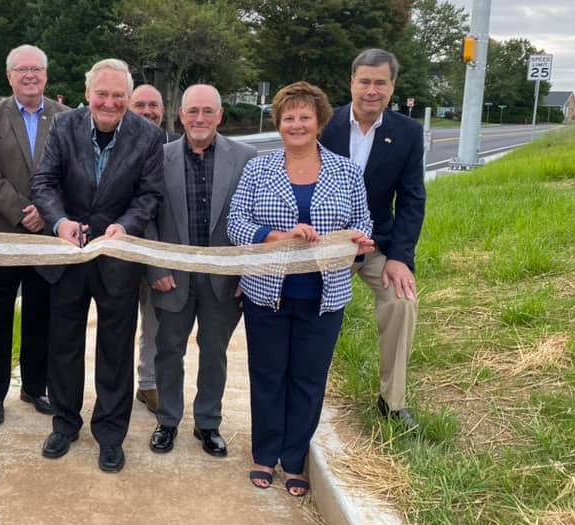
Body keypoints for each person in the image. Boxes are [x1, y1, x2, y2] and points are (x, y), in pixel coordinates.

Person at [227, 81, 373, 497]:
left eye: (305, 116)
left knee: (308, 379)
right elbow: (236, 224)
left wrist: (359, 239)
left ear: (319, 121)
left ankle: (294, 459)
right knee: (268, 376)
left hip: (324, 297)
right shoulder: (258, 169)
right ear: (278, 123)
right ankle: (264, 454)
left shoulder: (347, 171)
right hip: (266, 294)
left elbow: (364, 221)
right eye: (288, 117)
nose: (297, 124)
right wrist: (276, 236)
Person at [31, 59, 164, 473]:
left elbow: (149, 194)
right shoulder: (63, 126)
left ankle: (110, 434)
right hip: (69, 255)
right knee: (64, 345)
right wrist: (59, 221)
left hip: (117, 258)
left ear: (128, 97)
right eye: (102, 94)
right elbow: (44, 181)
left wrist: (126, 226)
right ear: (88, 94)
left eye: (118, 95)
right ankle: (64, 424)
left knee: (116, 350)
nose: (109, 102)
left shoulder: (149, 136)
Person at [145, 84, 255, 458]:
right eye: (193, 111)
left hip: (224, 278)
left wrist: (246, 273)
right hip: (172, 276)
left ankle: (208, 423)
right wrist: (156, 266)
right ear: (181, 115)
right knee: (168, 350)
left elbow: (256, 215)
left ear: (220, 116)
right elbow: (147, 216)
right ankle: (167, 421)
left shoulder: (246, 158)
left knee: (214, 351)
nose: (200, 118)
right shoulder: (158, 158)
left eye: (208, 111)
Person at [320, 49, 425, 428]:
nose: (371, 90)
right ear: (351, 83)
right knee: (307, 306)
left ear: (392, 87)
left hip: (377, 244)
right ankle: (308, 388)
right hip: (327, 243)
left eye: (380, 83)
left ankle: (392, 401)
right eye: (364, 81)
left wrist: (400, 258)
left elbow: (412, 199)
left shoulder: (407, 133)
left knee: (402, 301)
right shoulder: (325, 124)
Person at [0, 44, 68, 426]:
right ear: (9, 76)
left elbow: (72, 170)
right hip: (1, 233)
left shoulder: (66, 117)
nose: (30, 75)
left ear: (45, 75)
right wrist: (20, 211)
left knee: (42, 315)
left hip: (47, 236)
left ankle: (35, 387)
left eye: (36, 69)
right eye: (22, 69)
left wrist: (45, 212)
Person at [127, 83, 180, 415]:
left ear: (164, 109)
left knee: (155, 324)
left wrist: (158, 263)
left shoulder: (176, 146)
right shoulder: (116, 141)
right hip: (121, 250)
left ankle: (148, 384)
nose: (148, 111)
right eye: (140, 105)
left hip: (158, 249)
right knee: (119, 327)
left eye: (153, 105)